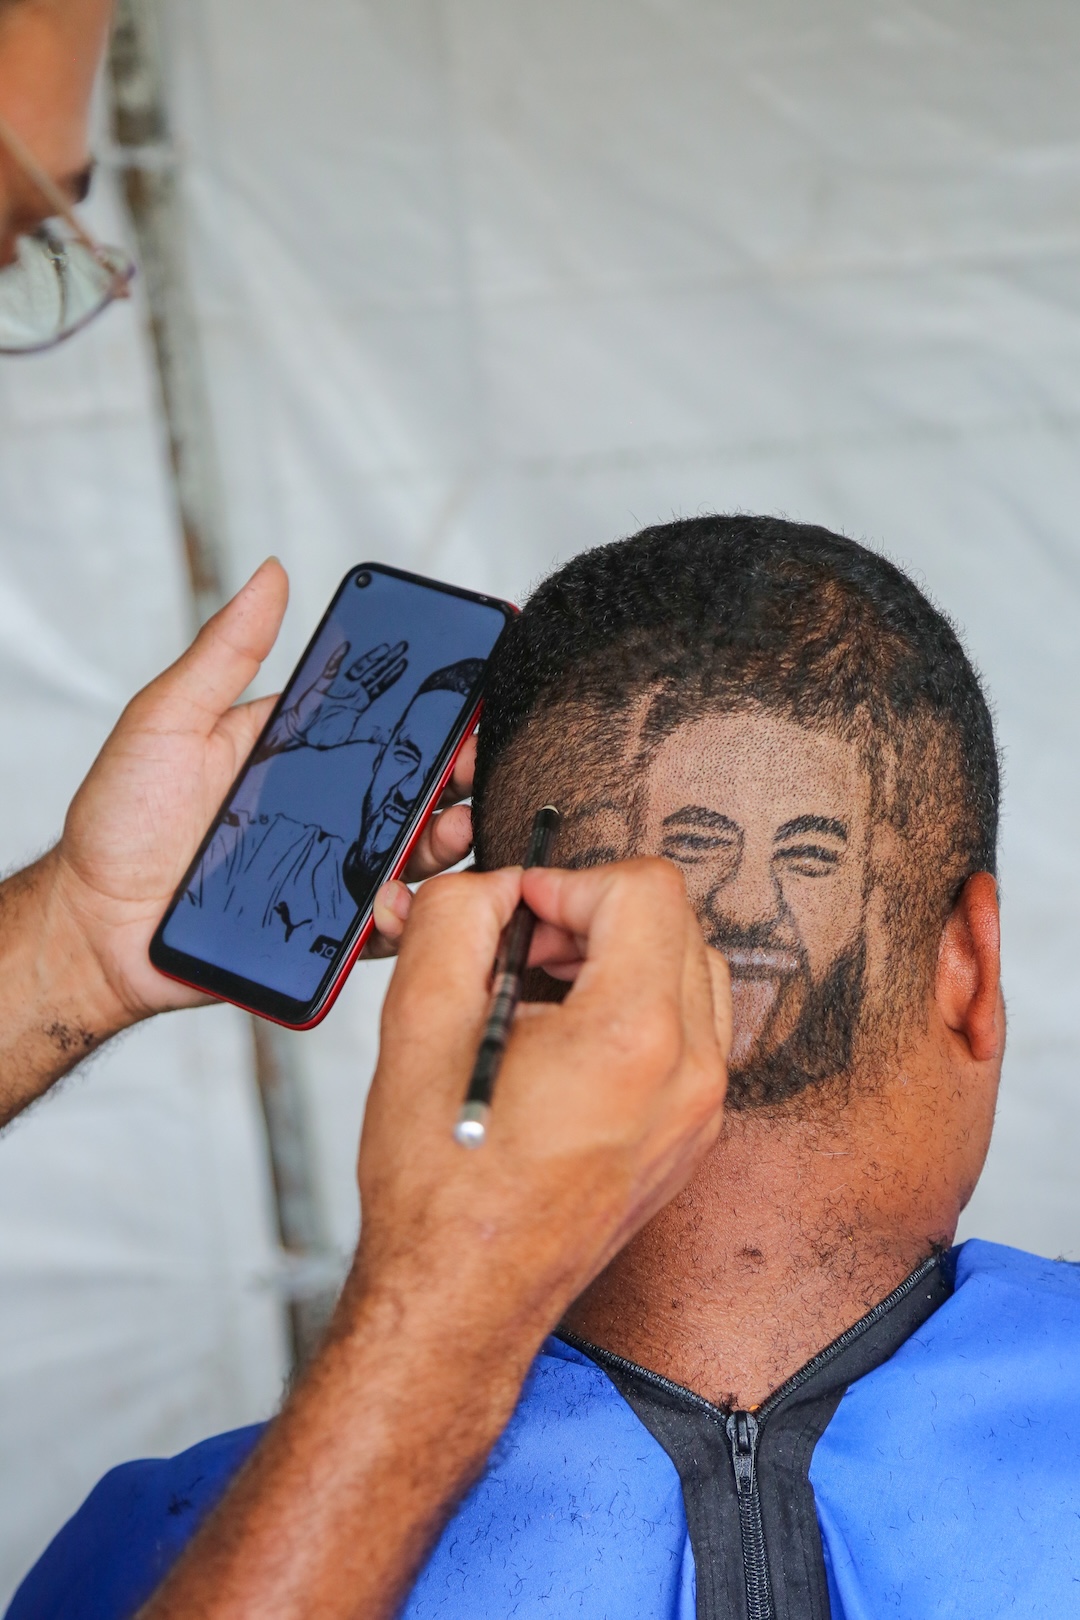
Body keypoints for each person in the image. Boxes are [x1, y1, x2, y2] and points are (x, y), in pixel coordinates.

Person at [11, 515, 1080, 1620]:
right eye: (699, 846)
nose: (749, 902)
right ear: (972, 970)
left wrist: (59, 954)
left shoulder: (165, 1551)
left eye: (807, 856)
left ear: (503, 966)